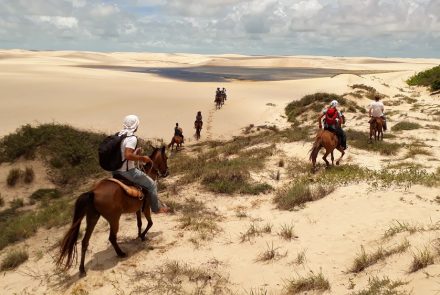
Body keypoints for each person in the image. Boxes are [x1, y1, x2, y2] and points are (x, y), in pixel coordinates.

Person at [112, 115, 169, 213]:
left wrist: (135, 153)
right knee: (152, 185)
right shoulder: (132, 138)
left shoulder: (118, 135)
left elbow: (122, 154)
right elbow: (127, 155)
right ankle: (156, 208)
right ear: (135, 125)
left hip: (115, 170)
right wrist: (142, 158)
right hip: (127, 171)